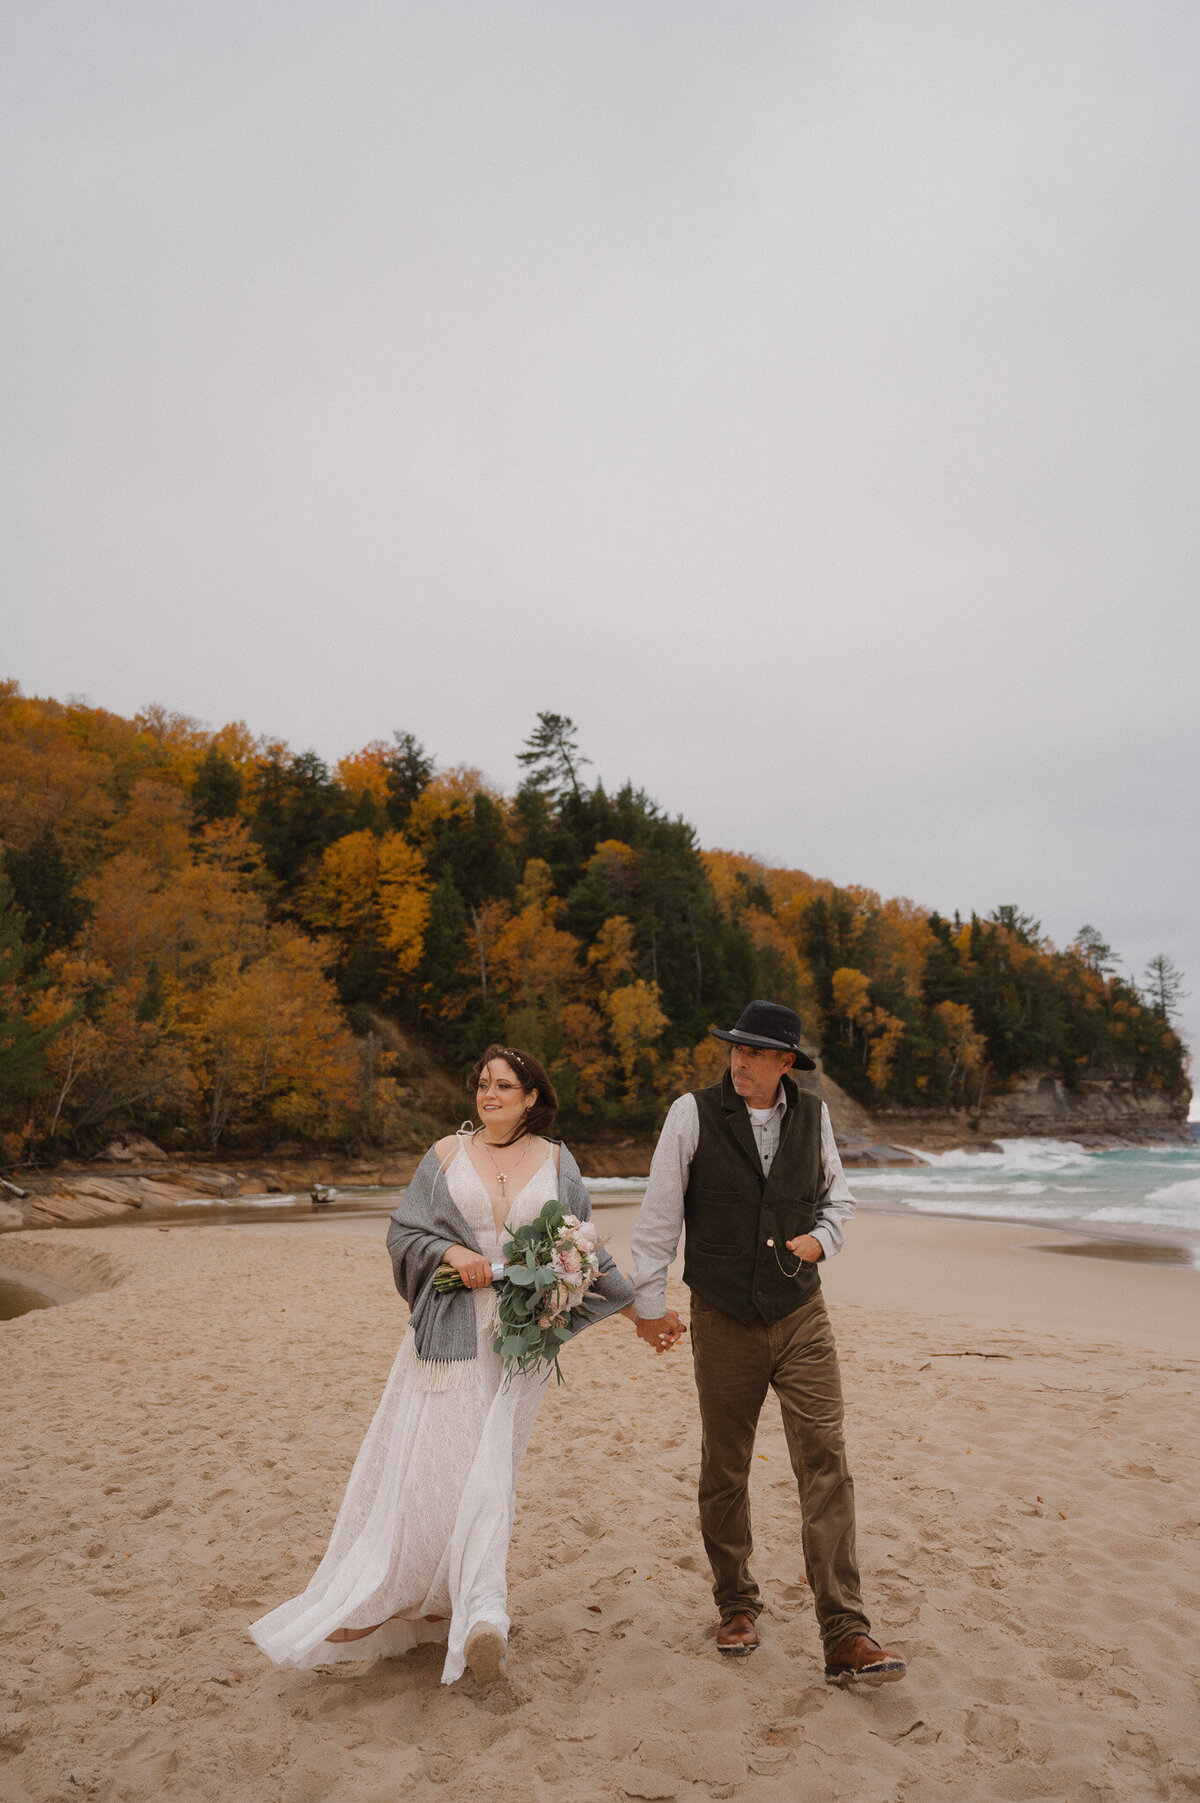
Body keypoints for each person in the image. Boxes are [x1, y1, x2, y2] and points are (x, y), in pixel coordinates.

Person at [249, 1044, 635, 1686]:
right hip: (450, 1336)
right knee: (434, 1465)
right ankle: (456, 1604)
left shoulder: (560, 1161)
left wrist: (641, 1312)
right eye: (482, 1085)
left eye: (505, 1087)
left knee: (493, 1468)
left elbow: (583, 1245)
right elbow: (405, 1232)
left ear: (532, 1097)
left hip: (520, 1342)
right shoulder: (445, 1156)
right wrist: (454, 1253)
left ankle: (481, 1607)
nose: (490, 1096)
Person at [627, 1000, 907, 1687]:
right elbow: (659, 1214)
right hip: (722, 1316)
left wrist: (823, 1239)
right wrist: (649, 1305)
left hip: (802, 1313)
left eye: (756, 1053)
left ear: (787, 1062)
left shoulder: (813, 1117)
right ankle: (736, 1603)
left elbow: (838, 1201)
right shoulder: (691, 1114)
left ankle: (845, 1631)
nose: (740, 1061)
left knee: (827, 1462)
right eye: (735, 1049)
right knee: (726, 1465)